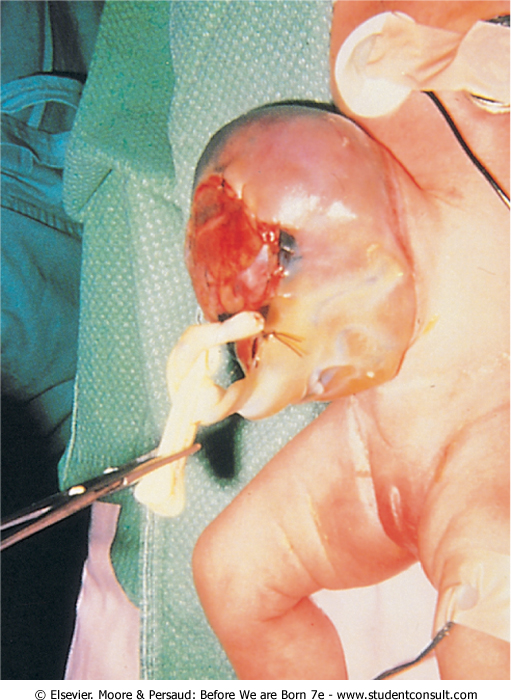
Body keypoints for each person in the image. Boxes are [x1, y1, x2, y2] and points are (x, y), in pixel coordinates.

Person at [189, 0, 510, 680]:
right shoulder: (382, 86)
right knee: (229, 572)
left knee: (487, 612)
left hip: (486, 456)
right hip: (366, 453)